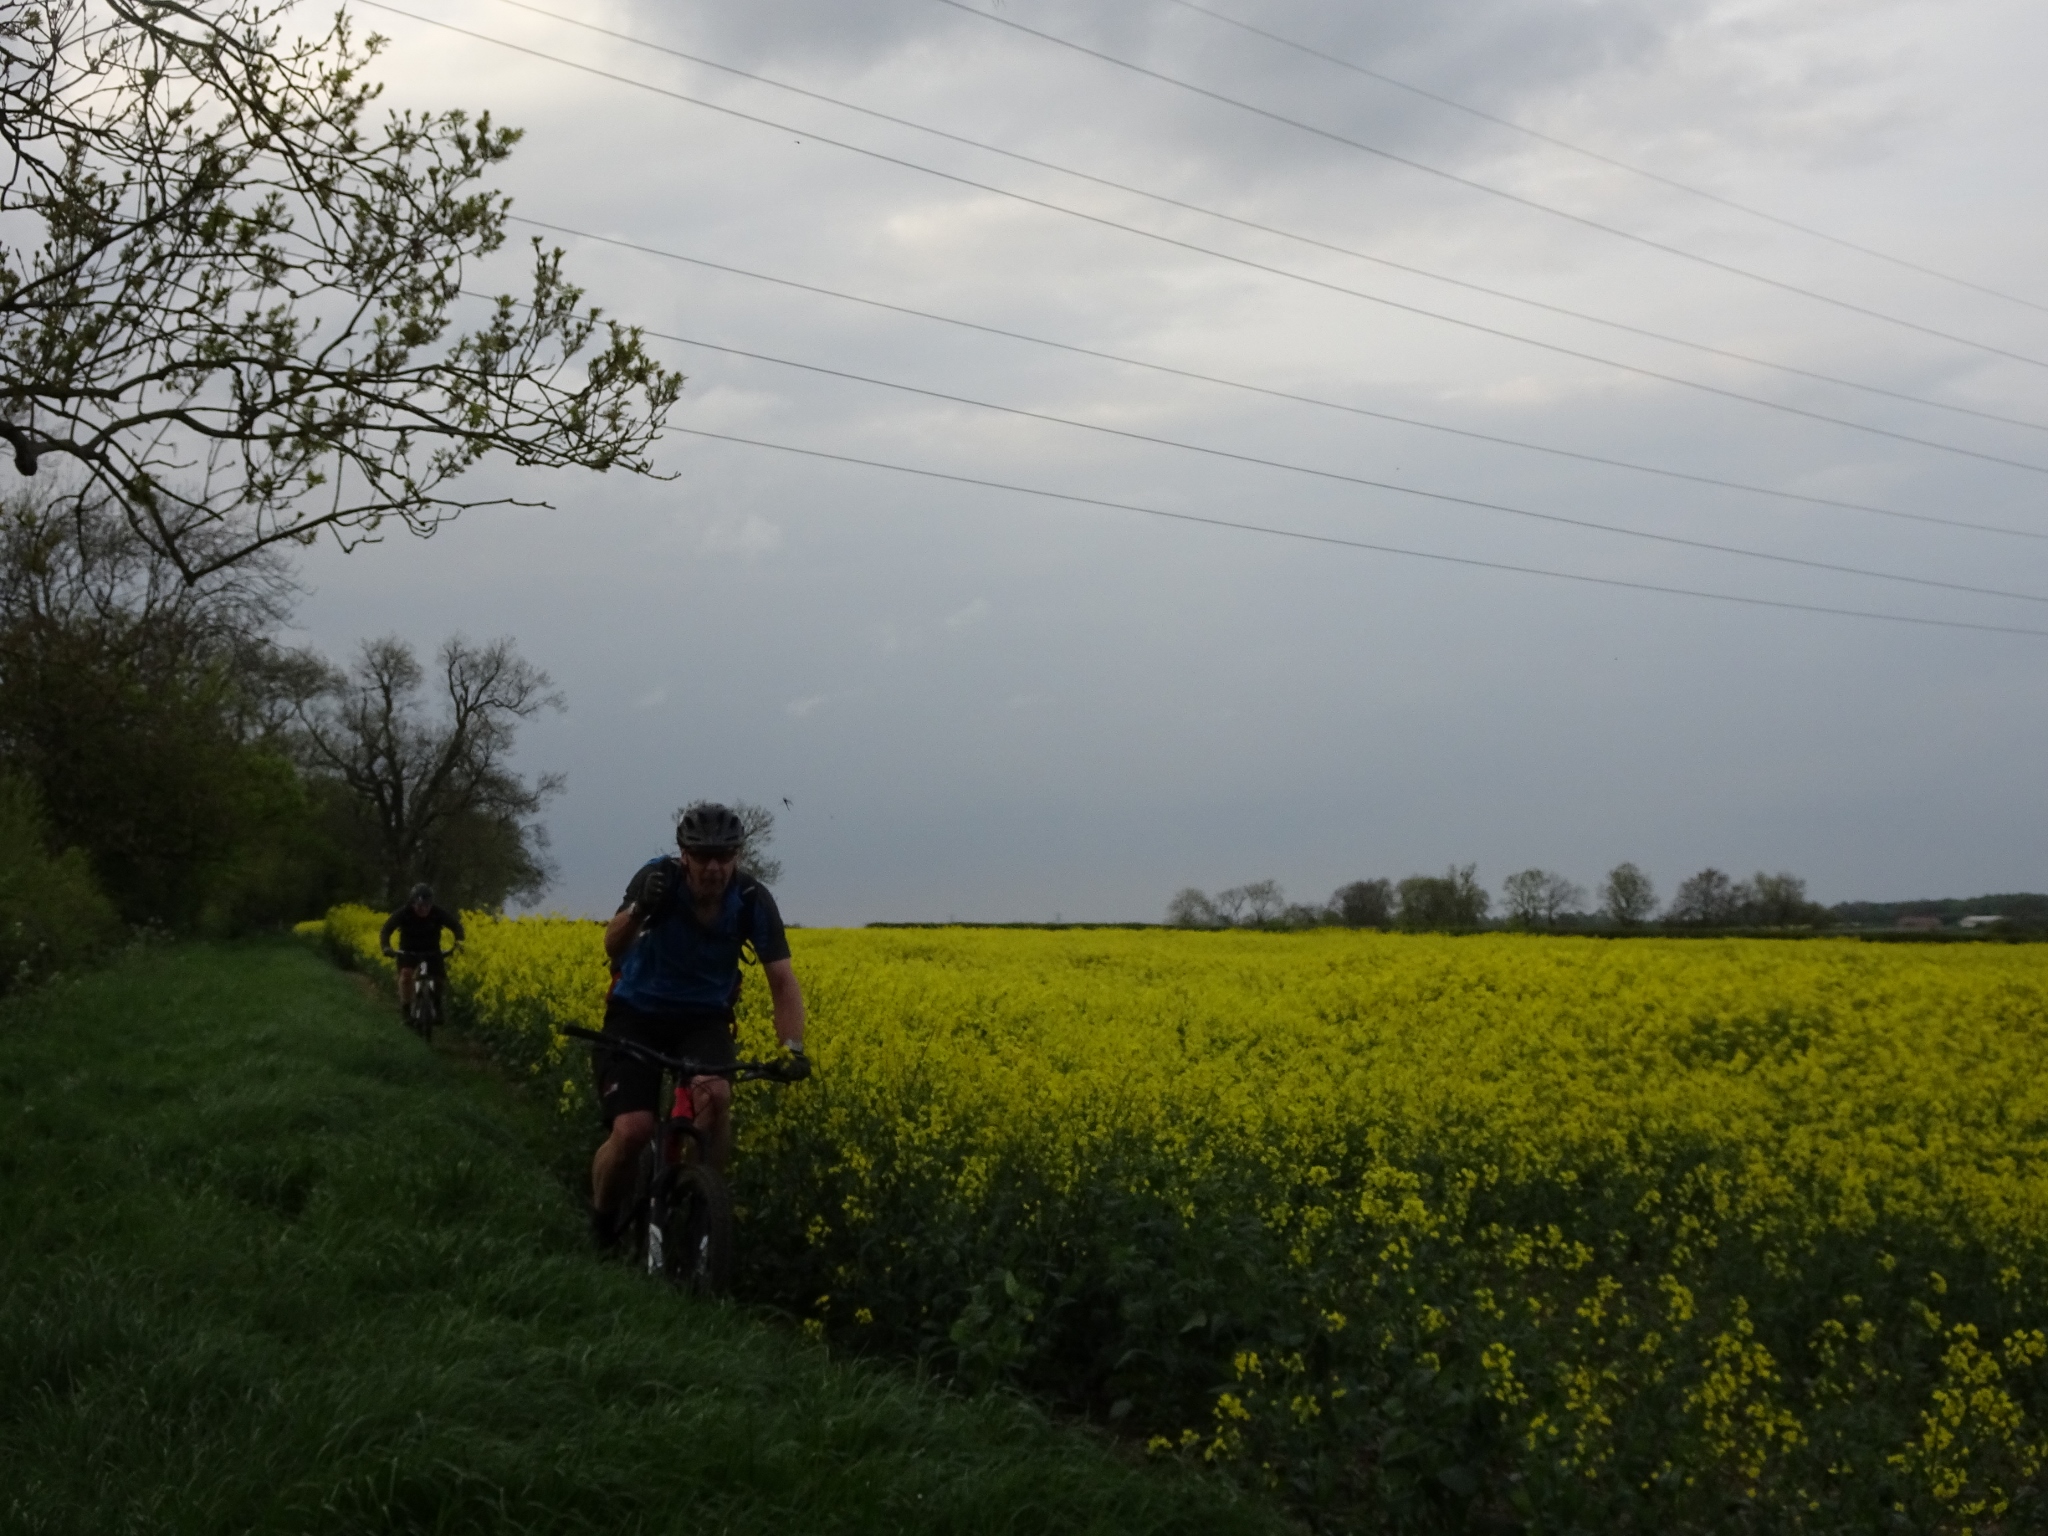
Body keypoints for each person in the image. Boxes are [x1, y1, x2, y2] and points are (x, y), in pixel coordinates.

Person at [591, 801, 808, 1248]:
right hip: (636, 1014)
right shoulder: (658, 879)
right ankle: (602, 1227)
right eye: (703, 856)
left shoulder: (751, 899)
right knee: (632, 1131)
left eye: (724, 856)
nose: (714, 867)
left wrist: (792, 1047)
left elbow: (782, 981)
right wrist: (639, 909)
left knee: (716, 1096)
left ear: (737, 856)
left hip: (703, 1019)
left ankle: (701, 1197)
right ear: (684, 855)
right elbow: (612, 945)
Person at [379, 883, 465, 1021]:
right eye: (420, 906)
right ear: (413, 903)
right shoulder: (404, 913)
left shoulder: (437, 913)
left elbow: (456, 926)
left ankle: (437, 1004)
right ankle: (406, 1008)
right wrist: (386, 947)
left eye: (427, 906)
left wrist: (458, 944)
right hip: (408, 951)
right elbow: (387, 929)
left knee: (439, 980)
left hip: (432, 951)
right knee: (406, 976)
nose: (424, 909)